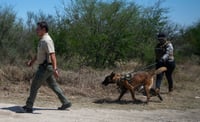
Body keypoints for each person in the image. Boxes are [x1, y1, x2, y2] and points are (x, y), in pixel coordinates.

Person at [22, 21, 71, 113]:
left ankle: (29, 106)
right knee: (53, 85)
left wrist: (55, 68)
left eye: (38, 29)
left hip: (45, 67)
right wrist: (32, 62)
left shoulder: (47, 40)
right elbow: (39, 54)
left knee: (34, 85)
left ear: (44, 29)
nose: (36, 30)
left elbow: (52, 55)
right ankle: (66, 102)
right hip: (46, 67)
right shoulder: (42, 40)